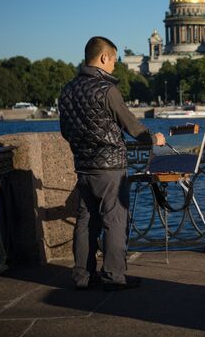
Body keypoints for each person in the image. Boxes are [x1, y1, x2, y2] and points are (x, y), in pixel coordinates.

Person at [59, 36, 165, 291]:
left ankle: (82, 276)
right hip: (110, 169)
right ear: (104, 58)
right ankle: (113, 276)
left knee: (86, 222)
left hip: (83, 166)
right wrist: (154, 138)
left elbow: (65, 131)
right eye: (114, 60)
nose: (115, 66)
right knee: (115, 221)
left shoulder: (67, 90)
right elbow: (131, 125)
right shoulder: (108, 90)